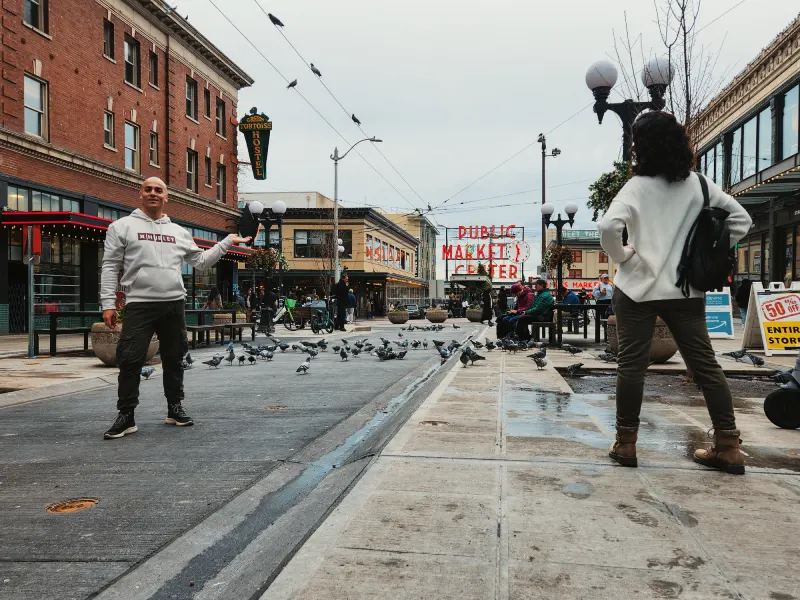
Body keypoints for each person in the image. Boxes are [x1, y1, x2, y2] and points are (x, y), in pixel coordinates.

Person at [598, 111, 751, 474]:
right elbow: (741, 220)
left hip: (636, 288)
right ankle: (728, 445)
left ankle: (627, 443)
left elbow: (608, 226)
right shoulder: (700, 185)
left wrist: (622, 255)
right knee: (706, 366)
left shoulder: (635, 187)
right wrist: (706, 247)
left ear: (642, 148)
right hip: (686, 291)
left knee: (631, 366)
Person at [100, 177, 251, 440]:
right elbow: (110, 266)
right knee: (129, 359)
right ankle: (126, 415)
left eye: (159, 190)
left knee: (174, 359)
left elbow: (202, 262)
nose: (153, 193)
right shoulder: (121, 227)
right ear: (140, 194)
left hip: (173, 304)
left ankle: (174, 408)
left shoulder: (178, 232)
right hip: (139, 305)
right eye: (148, 189)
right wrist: (107, 304)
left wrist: (226, 242)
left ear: (166, 196)